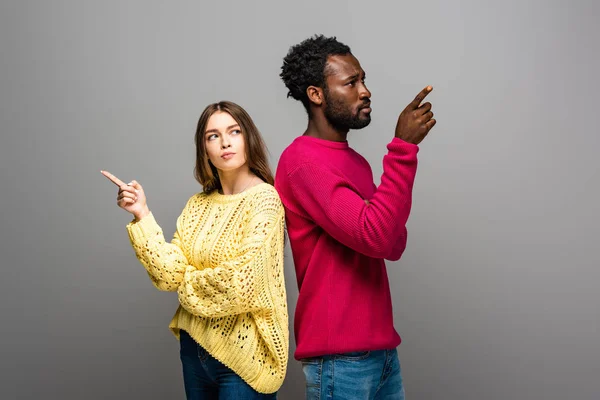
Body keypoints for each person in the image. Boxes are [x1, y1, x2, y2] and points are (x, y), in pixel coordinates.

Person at [275, 35, 437, 399]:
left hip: (381, 353)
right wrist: (403, 149)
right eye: (351, 83)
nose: (365, 91)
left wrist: (383, 219)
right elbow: (377, 234)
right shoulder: (302, 163)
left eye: (363, 80)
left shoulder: (355, 162)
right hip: (339, 360)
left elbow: (392, 243)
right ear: (316, 95)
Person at [101, 101, 289, 399]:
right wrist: (142, 214)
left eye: (234, 131)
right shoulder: (197, 204)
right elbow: (168, 276)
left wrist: (186, 284)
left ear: (247, 138)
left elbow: (241, 286)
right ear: (204, 148)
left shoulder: (265, 200)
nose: (225, 142)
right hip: (194, 350)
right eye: (213, 136)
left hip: (243, 355)